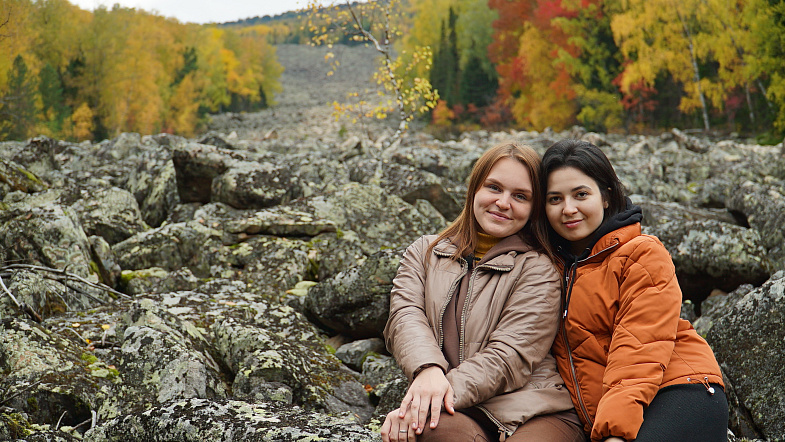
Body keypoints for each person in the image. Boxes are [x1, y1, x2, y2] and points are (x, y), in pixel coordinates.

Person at [381, 142, 585, 442]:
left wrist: (430, 396)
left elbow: (511, 355)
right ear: (474, 189)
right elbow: (405, 316)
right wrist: (427, 371)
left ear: (534, 207)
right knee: (427, 430)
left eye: (520, 196)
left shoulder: (539, 268)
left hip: (536, 408)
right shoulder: (425, 251)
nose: (503, 203)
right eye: (494, 187)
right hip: (459, 406)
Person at [541, 139, 729, 442]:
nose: (568, 209)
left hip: (679, 390)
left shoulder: (641, 254)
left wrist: (615, 432)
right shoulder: (547, 265)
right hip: (613, 411)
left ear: (606, 197)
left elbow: (640, 345)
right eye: (554, 199)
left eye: (581, 194)